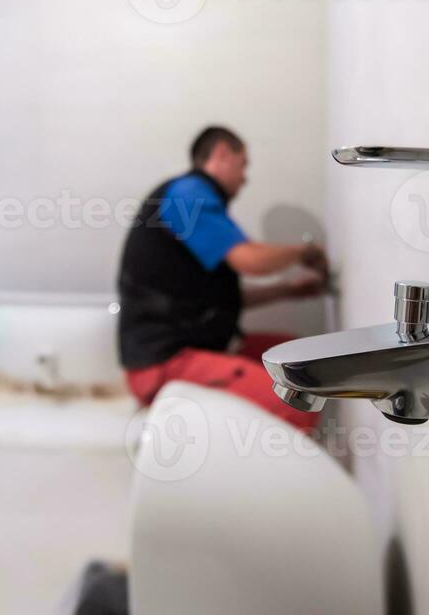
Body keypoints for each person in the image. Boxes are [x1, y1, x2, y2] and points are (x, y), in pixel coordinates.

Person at [116, 126, 329, 430]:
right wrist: (304, 252)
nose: (245, 177)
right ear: (221, 154)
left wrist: (288, 291)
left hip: (193, 349)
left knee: (300, 359)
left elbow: (217, 298)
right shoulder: (187, 196)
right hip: (165, 362)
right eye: (243, 165)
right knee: (297, 406)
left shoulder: (191, 201)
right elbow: (251, 262)